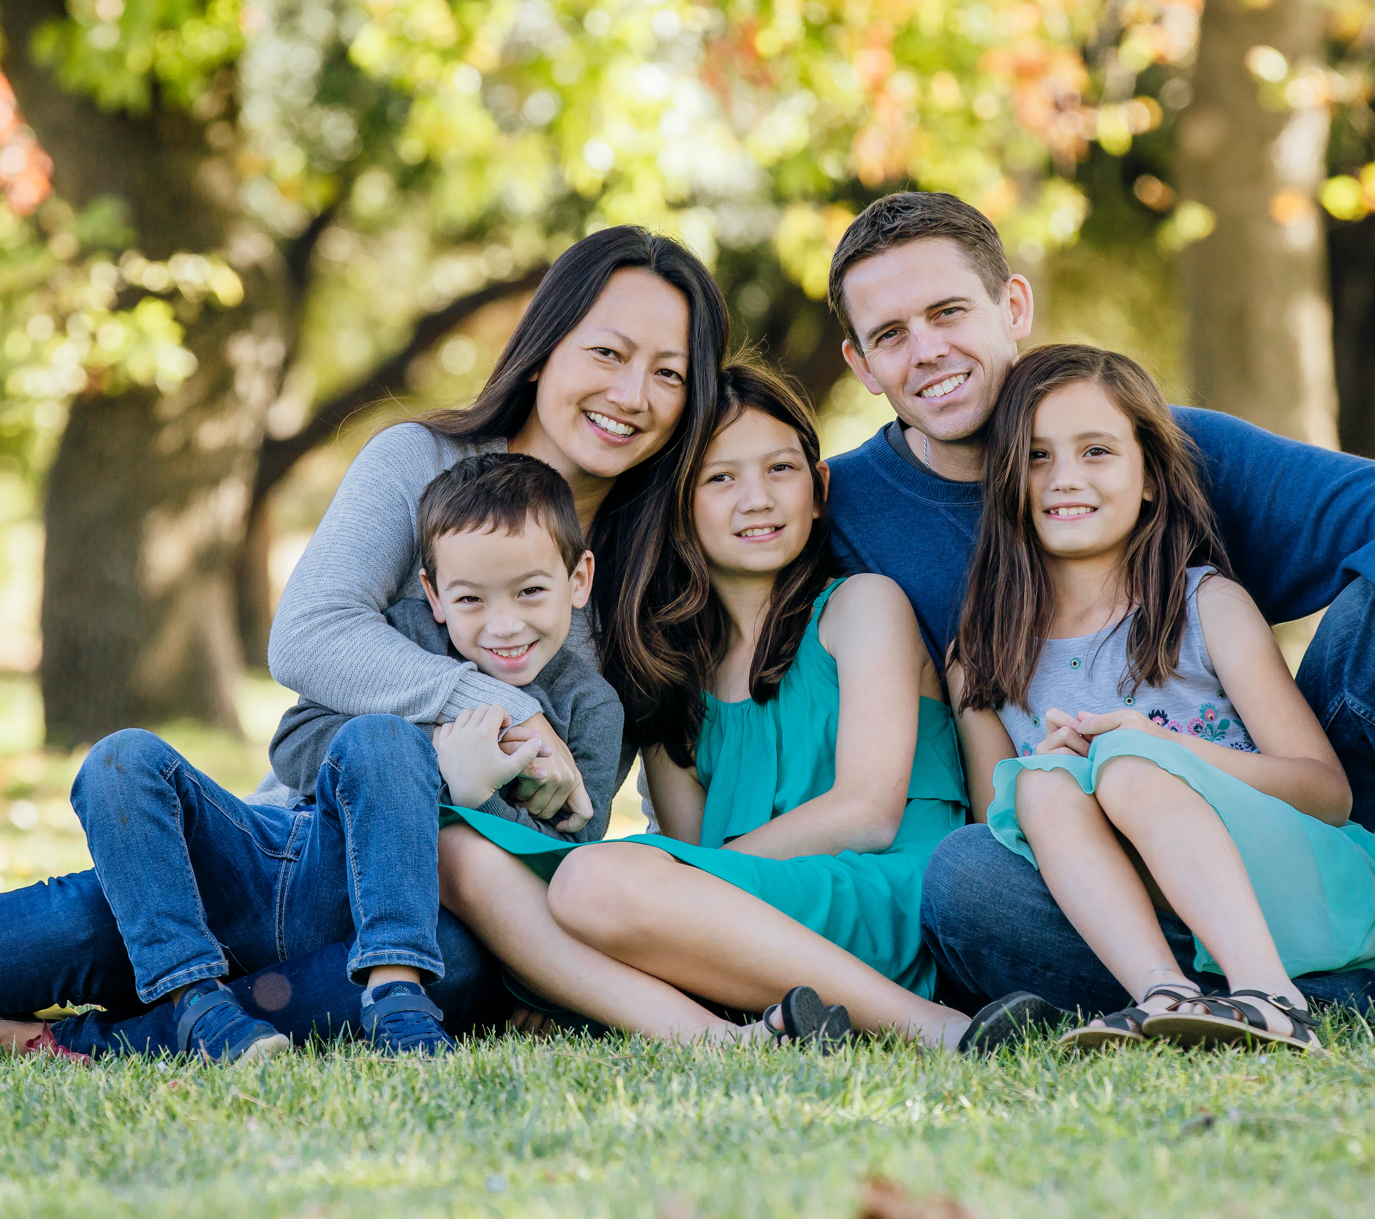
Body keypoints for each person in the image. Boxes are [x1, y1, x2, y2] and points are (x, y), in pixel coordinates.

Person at [0, 227, 730, 1068]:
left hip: (441, 919)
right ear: (545, 346)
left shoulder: (653, 577)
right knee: (94, 917)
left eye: (668, 374)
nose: (631, 394)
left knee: (455, 968)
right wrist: (489, 708)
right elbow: (308, 636)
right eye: (608, 352)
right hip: (291, 849)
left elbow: (621, 812)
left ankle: (94, 1043)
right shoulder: (418, 464)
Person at [821, 190, 1375, 1035]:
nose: (927, 350)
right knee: (966, 879)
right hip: (1082, 867)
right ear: (860, 365)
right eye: (892, 334)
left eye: (948, 312)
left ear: (1011, 305)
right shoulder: (846, 509)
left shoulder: (1157, 442)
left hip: (1271, 818)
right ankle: (1351, 1000)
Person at [434, 363, 1025, 1051]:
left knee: (593, 883)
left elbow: (866, 814)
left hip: (887, 891)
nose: (756, 499)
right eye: (721, 479)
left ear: (818, 490)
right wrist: (675, 885)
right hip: (752, 913)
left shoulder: (862, 607)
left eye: (780, 470)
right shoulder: (670, 673)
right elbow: (697, 859)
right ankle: (722, 1037)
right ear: (679, 504)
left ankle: (935, 1029)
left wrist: (674, 877)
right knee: (461, 854)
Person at [53, 453, 624, 1062]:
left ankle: (100, 1037)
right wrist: (432, 747)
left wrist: (476, 795)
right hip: (288, 866)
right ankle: (188, 995)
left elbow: (572, 854)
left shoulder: (590, 707)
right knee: (114, 774)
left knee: (450, 959)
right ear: (433, 595)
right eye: (471, 600)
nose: (504, 625)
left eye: (531, 591)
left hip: (408, 934)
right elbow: (295, 745)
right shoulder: (403, 637)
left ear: (579, 580)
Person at [953, 345, 1375, 1052]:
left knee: (1131, 764)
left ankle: (1272, 998)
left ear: (1151, 476)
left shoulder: (1207, 605)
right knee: (1038, 786)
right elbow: (995, 833)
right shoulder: (979, 655)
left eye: (1096, 450)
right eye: (1037, 457)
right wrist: (1061, 773)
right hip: (1137, 919)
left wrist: (1158, 749)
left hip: (1296, 894)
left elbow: (1328, 793)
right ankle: (1164, 994)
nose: (1064, 479)